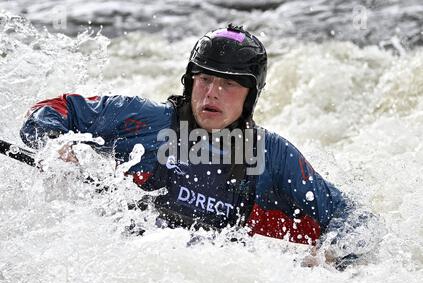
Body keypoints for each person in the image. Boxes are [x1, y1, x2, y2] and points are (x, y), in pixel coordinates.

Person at [20, 24, 361, 269]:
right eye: (205, 79)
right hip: (126, 265)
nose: (212, 92)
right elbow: (54, 109)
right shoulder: (144, 119)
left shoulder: (272, 155)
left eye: (227, 84)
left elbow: (357, 219)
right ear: (189, 81)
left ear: (251, 96)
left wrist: (330, 256)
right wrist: (55, 145)